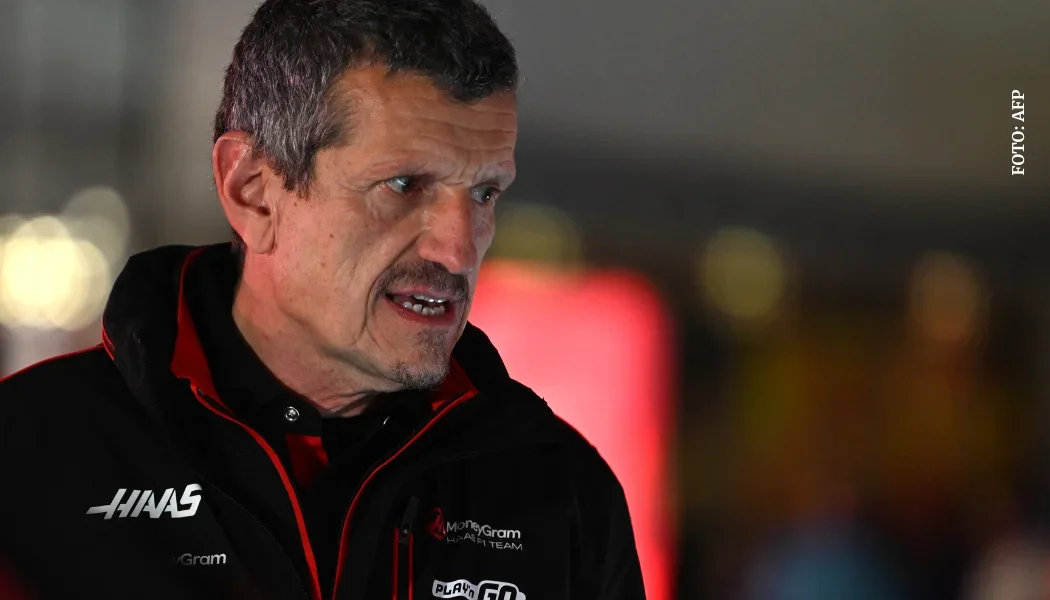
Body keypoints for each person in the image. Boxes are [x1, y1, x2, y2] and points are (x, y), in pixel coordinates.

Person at [0, 1, 646, 599]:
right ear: (254, 191)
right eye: (403, 184)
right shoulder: (29, 454)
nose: (458, 250)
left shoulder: (557, 489)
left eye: (484, 194)